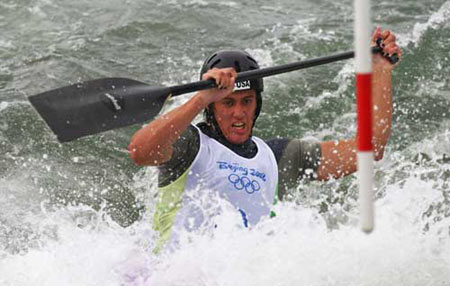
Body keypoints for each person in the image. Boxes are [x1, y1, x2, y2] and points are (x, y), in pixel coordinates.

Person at [128, 27, 401, 250]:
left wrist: (380, 70)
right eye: (227, 103)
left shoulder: (278, 156)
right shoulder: (190, 144)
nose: (239, 113)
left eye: (247, 101)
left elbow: (370, 148)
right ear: (212, 107)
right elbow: (140, 151)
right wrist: (201, 98)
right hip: (170, 285)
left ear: (257, 104)